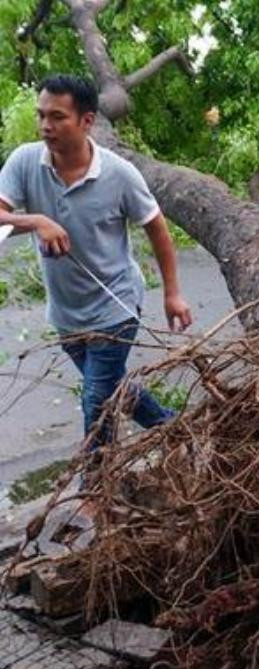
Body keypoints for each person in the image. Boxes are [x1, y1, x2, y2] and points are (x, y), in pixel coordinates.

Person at [0, 74, 193, 480]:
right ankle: (170, 425)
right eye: (41, 116)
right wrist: (35, 220)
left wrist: (172, 293)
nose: (45, 126)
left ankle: (95, 492)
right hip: (66, 314)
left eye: (57, 117)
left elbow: (156, 226)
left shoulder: (118, 174)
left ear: (86, 121)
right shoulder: (24, 161)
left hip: (115, 306)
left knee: (95, 399)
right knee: (113, 387)